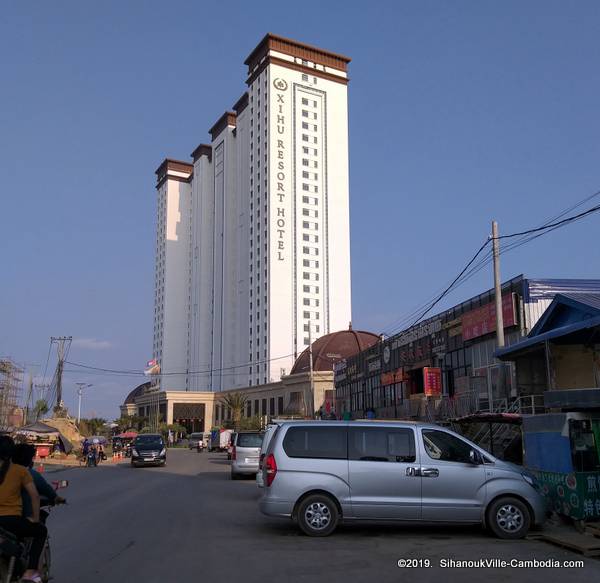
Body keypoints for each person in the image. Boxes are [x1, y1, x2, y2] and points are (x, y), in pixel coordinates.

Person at [0, 435, 47, 583]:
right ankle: (30, 572)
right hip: (10, 520)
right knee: (41, 531)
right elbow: (35, 496)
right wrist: (34, 518)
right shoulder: (20, 471)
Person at [12, 443, 66, 520]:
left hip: (6, 516)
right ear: (28, 460)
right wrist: (55, 497)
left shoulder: (6, 470)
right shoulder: (29, 473)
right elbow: (45, 488)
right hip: (21, 517)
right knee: (41, 530)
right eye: (32, 458)